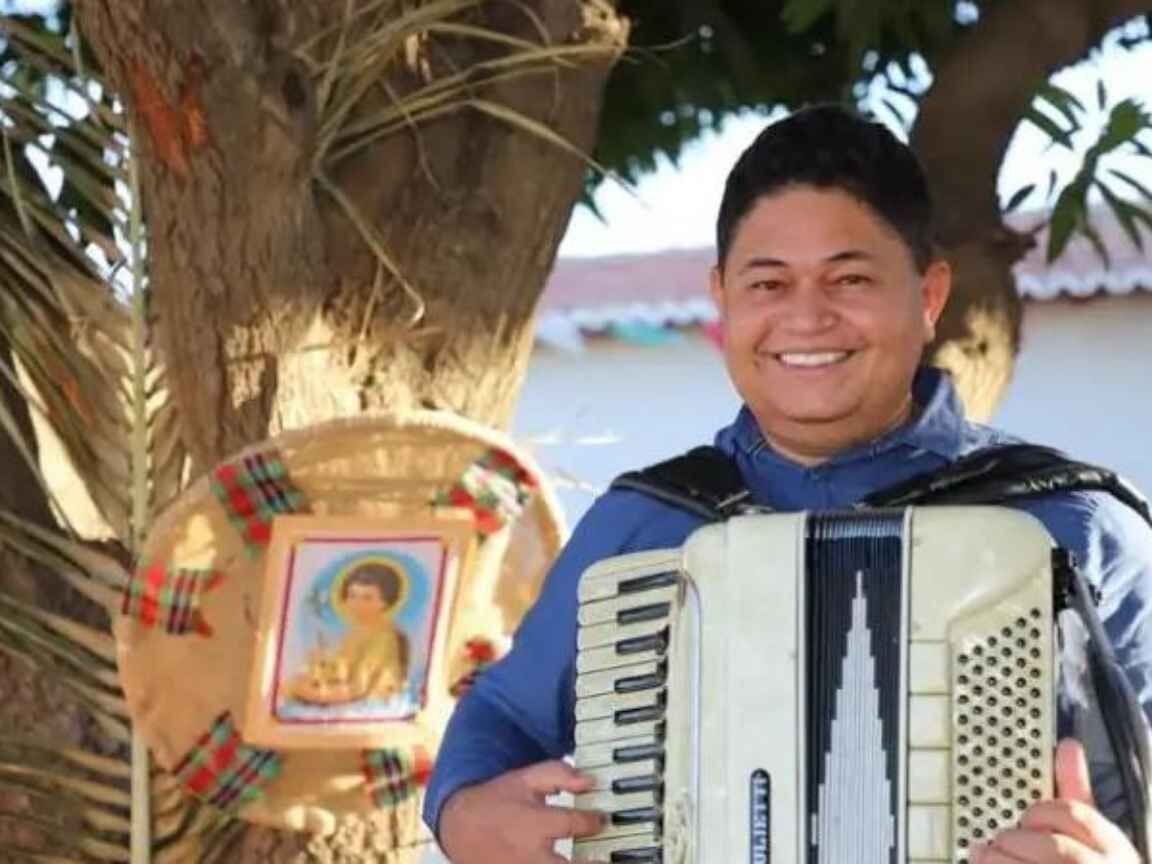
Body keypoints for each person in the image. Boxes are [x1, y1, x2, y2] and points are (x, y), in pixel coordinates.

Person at [424, 105, 1152, 863]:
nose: (807, 318)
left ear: (930, 297)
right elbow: (505, 711)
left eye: (851, 278)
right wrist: (463, 812)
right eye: (768, 284)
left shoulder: (1077, 528)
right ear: (723, 297)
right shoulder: (641, 526)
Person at [286, 561, 410, 705]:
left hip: (371, 703)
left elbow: (359, 688)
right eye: (352, 596)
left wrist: (319, 695)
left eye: (367, 598)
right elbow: (340, 671)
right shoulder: (356, 632)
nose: (357, 604)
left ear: (384, 603)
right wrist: (320, 665)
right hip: (347, 694)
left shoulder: (384, 637)